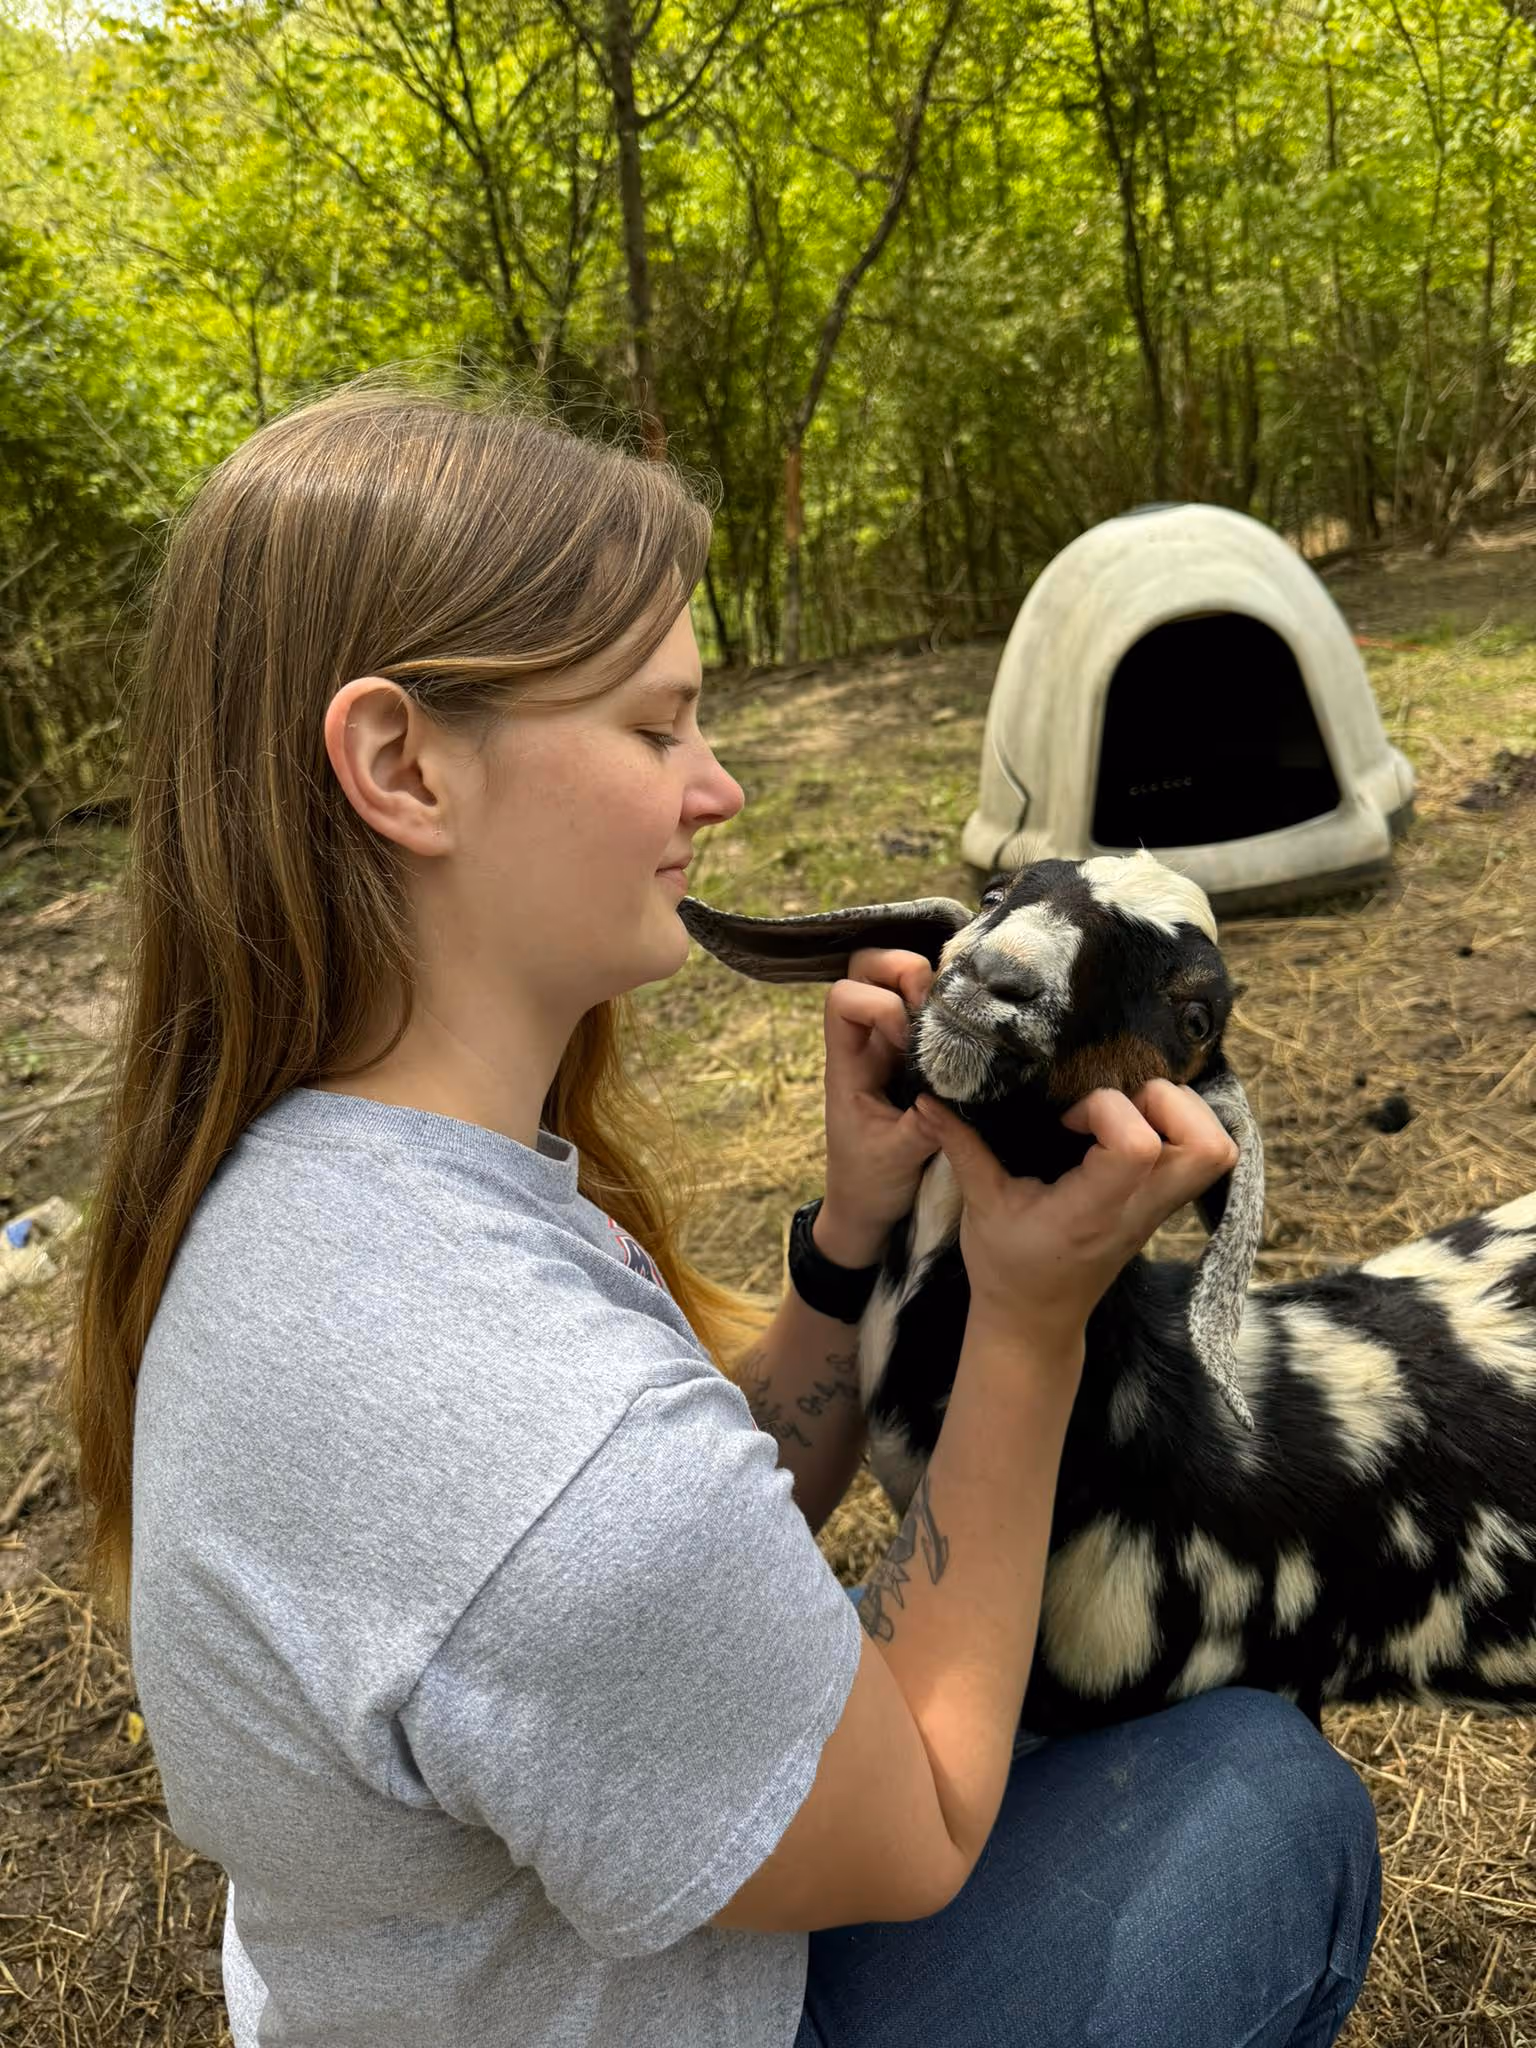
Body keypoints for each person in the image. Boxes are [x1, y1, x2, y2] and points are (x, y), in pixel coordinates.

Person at [70, 376, 1380, 2048]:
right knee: (1263, 1797)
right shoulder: (537, 1430)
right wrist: (1031, 1320)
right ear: (402, 764)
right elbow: (916, 1829)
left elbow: (691, 1541)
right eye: (654, 728)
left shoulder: (319, 1189)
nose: (723, 791)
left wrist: (846, 1247)